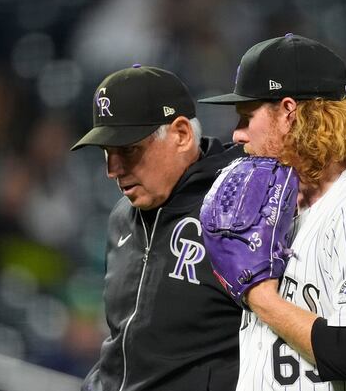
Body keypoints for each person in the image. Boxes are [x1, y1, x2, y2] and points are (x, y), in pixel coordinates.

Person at [198, 33, 346, 391]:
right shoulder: (282, 211)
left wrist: (259, 297)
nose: (236, 135)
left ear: (287, 113)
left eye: (247, 117)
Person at [71, 65, 244, 391]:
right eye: (107, 152)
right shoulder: (122, 216)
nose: (113, 170)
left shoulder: (238, 208)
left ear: (181, 134)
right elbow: (124, 340)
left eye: (128, 149)